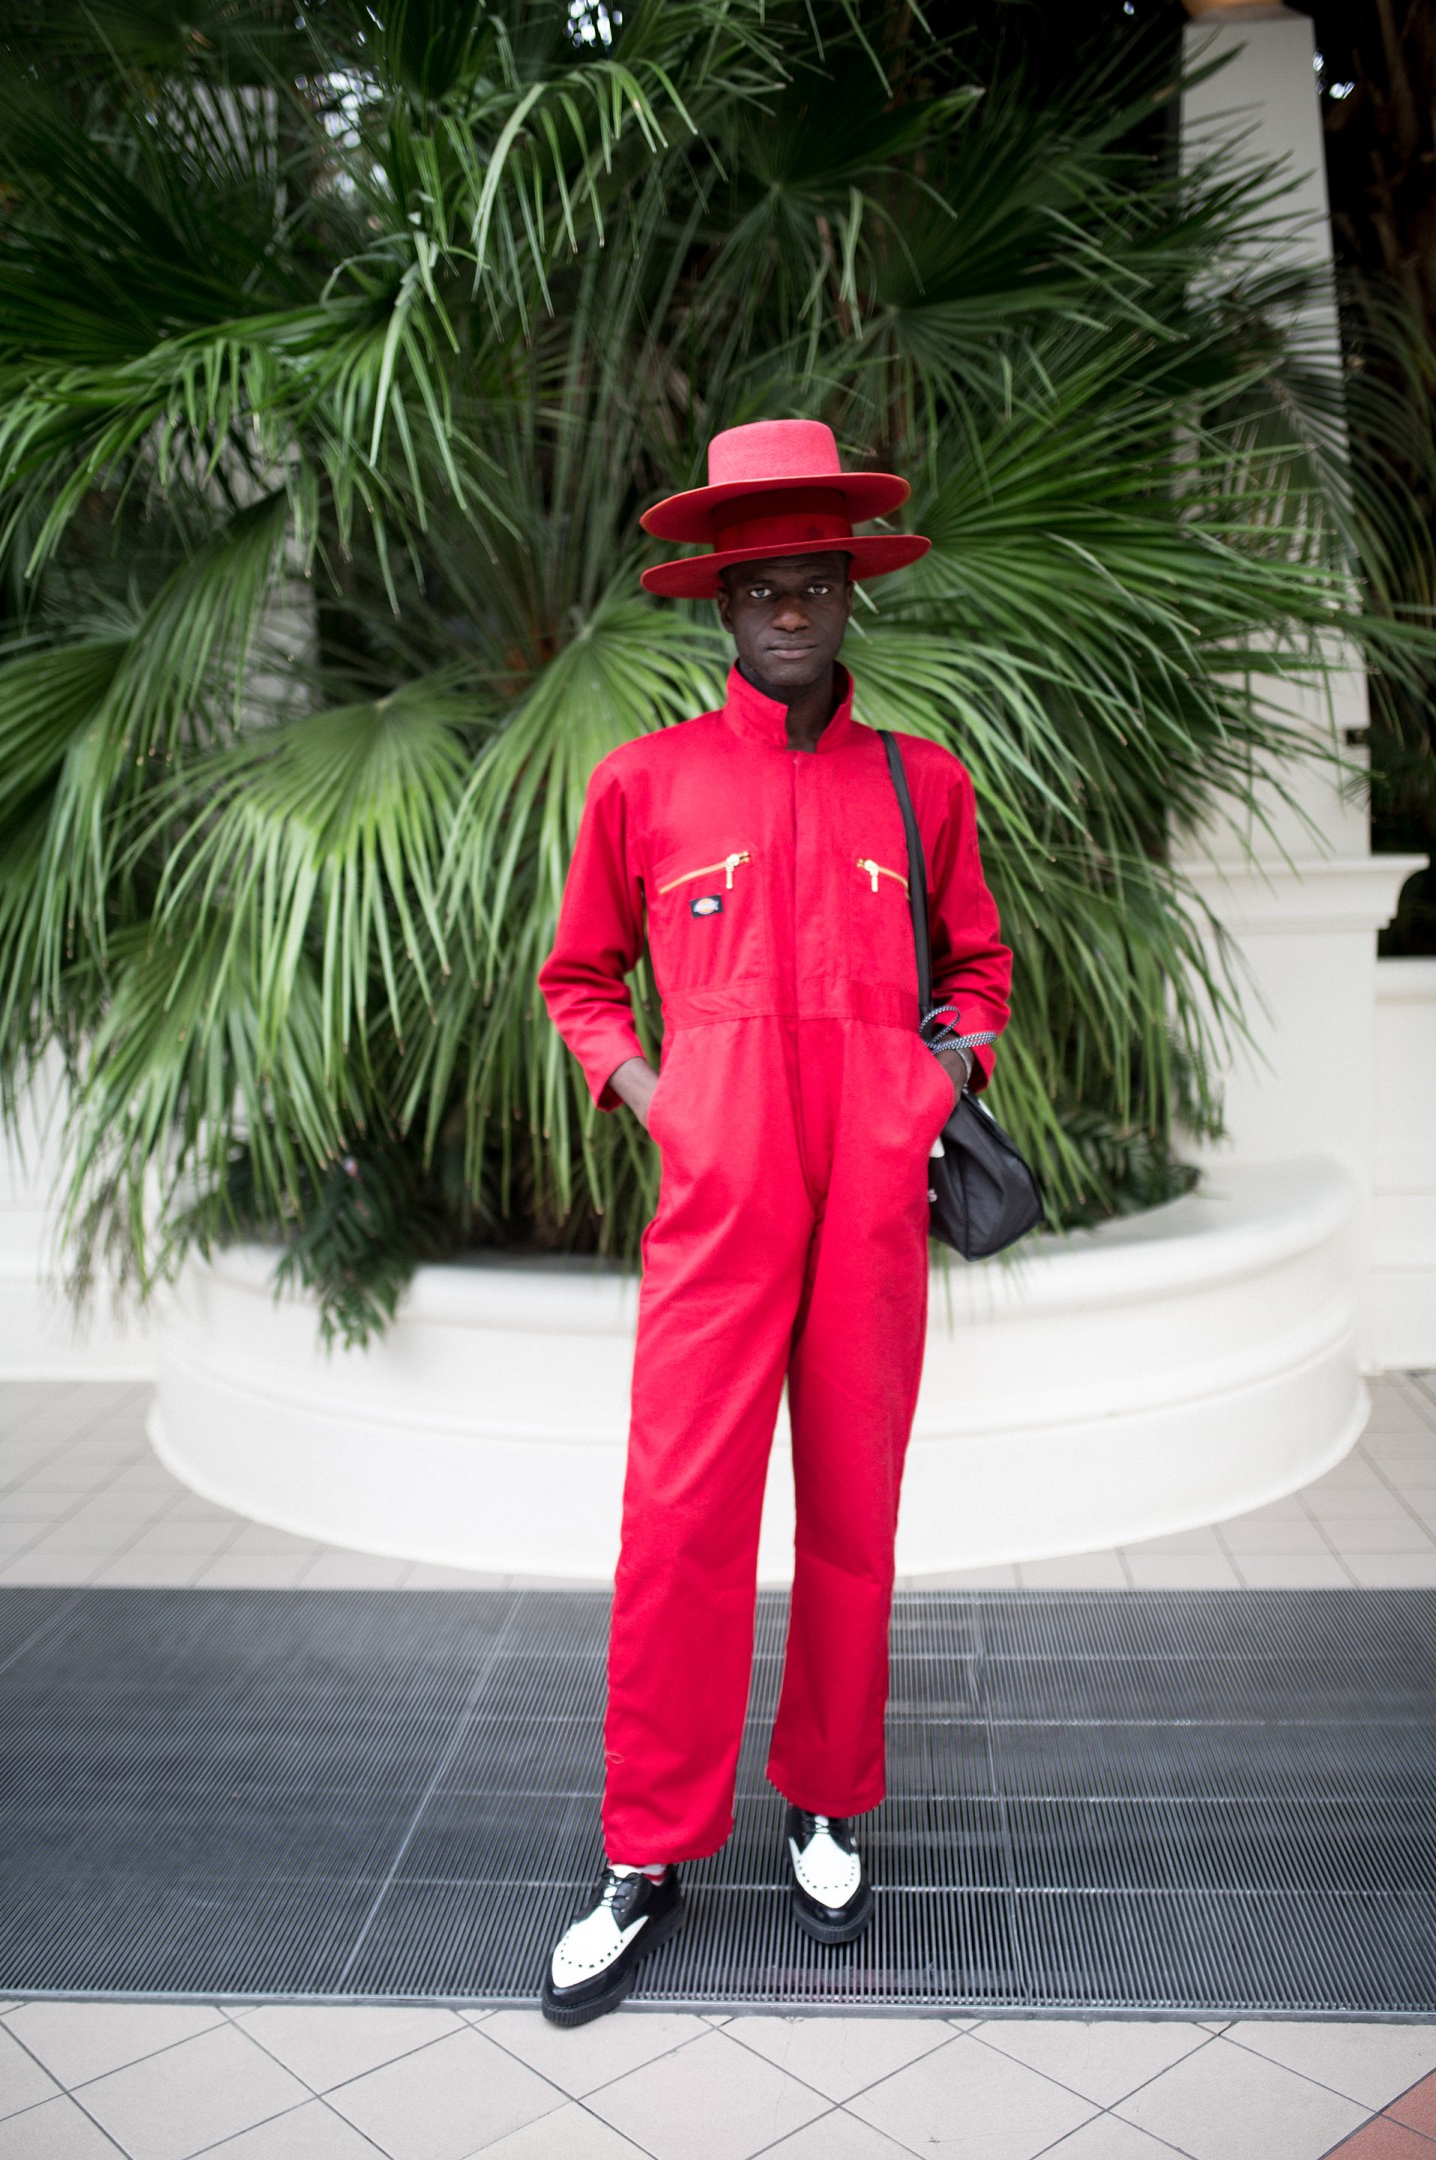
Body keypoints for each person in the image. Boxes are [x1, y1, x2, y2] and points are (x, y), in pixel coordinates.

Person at [536, 419, 1012, 2025]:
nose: (793, 606)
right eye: (766, 584)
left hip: (870, 1204)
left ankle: (824, 1802)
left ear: (846, 591)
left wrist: (929, 1090)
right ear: (723, 601)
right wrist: (661, 1100)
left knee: (852, 1517)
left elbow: (982, 973)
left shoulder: (920, 782)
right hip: (715, 1208)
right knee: (679, 1519)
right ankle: (648, 1848)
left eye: (817, 579)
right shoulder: (646, 785)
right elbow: (580, 978)